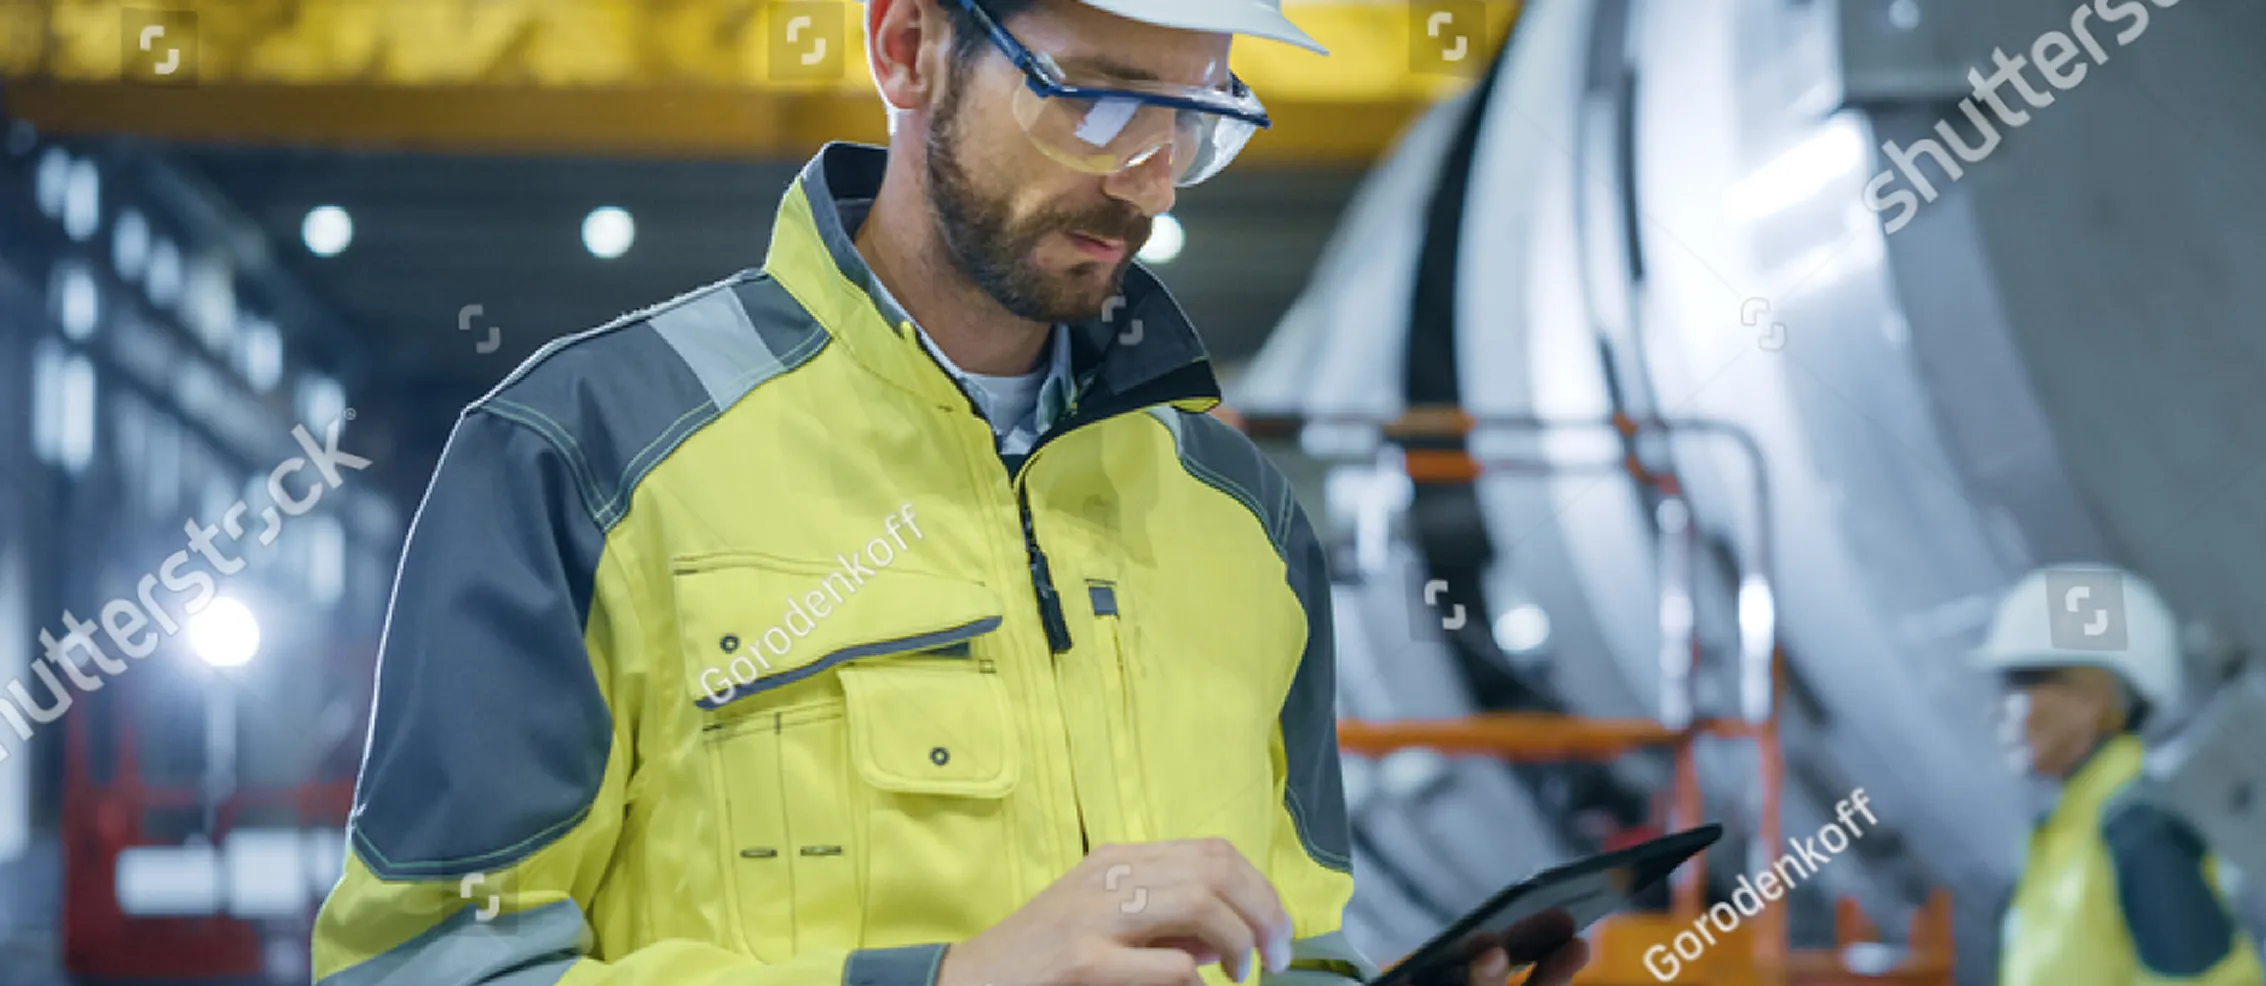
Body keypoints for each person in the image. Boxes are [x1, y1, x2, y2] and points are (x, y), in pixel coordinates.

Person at [307, 2, 1595, 985]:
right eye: (1098, 101)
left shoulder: (1241, 518)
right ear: (908, 46)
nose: (1148, 175)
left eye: (1196, 118)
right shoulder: (584, 455)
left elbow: (1292, 943)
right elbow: (419, 962)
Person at [1976, 564, 2265, 986]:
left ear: (2094, 696)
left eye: (2020, 683)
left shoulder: (2139, 830)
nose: (1999, 709)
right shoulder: (2065, 840)